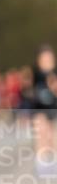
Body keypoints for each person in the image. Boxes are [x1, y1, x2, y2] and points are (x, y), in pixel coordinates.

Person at [31, 45, 57, 177]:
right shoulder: (35, 74)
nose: (46, 62)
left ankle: (52, 161)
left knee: (51, 136)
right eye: (44, 59)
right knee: (41, 135)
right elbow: (29, 90)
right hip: (38, 108)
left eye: (49, 59)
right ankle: (41, 163)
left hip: (52, 108)